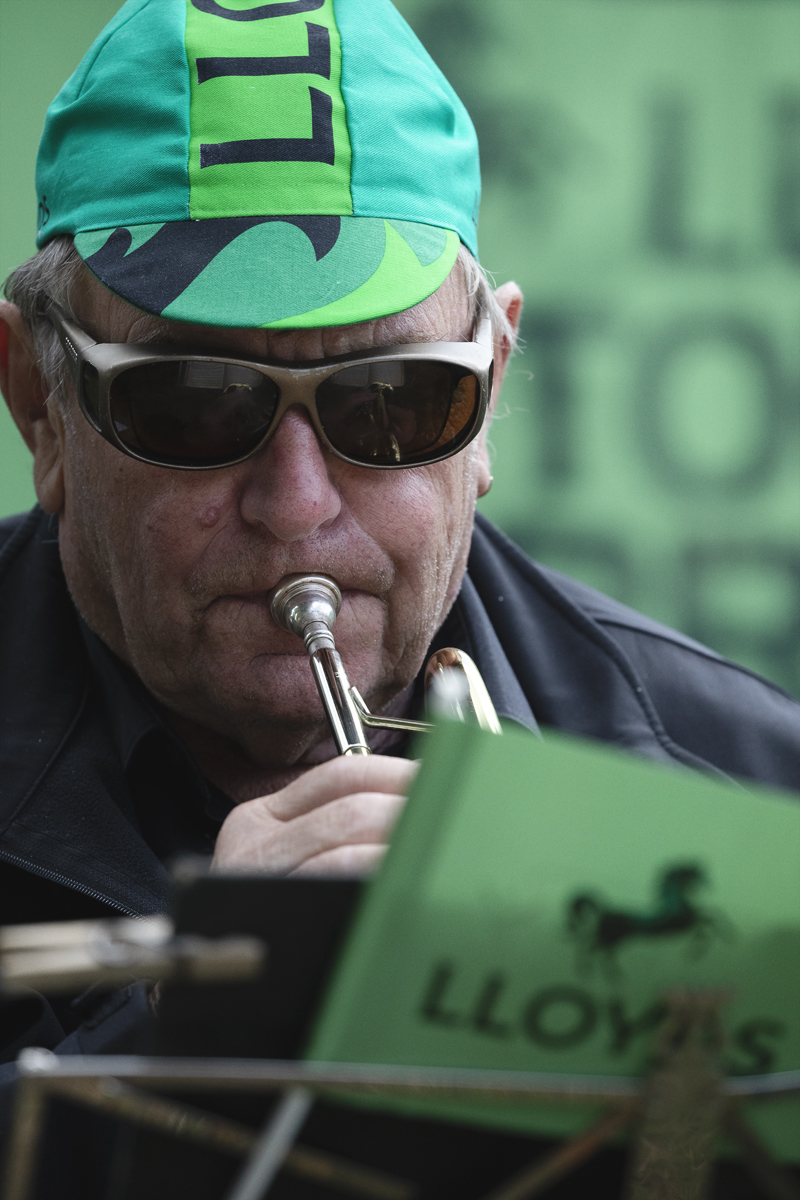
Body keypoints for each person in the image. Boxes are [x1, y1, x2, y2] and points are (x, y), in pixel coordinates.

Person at [0, 0, 798, 1195]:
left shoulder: (741, 784)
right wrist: (178, 1037)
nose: (297, 503)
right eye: (197, 402)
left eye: (394, 402)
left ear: (491, 392)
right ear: (39, 406)